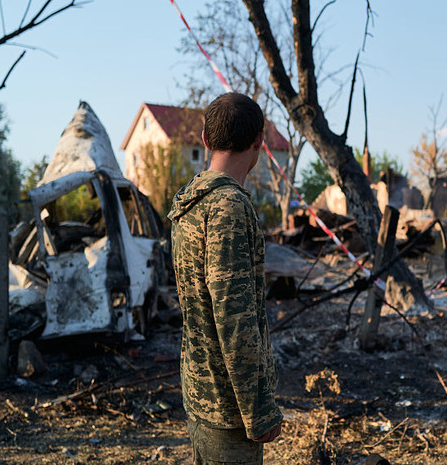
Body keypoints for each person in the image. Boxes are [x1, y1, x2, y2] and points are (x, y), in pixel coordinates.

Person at [168, 92, 283, 464]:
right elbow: (234, 320)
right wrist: (260, 409)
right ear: (259, 143)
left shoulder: (190, 203)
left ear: (205, 139)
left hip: (201, 396)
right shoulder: (228, 207)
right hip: (229, 410)